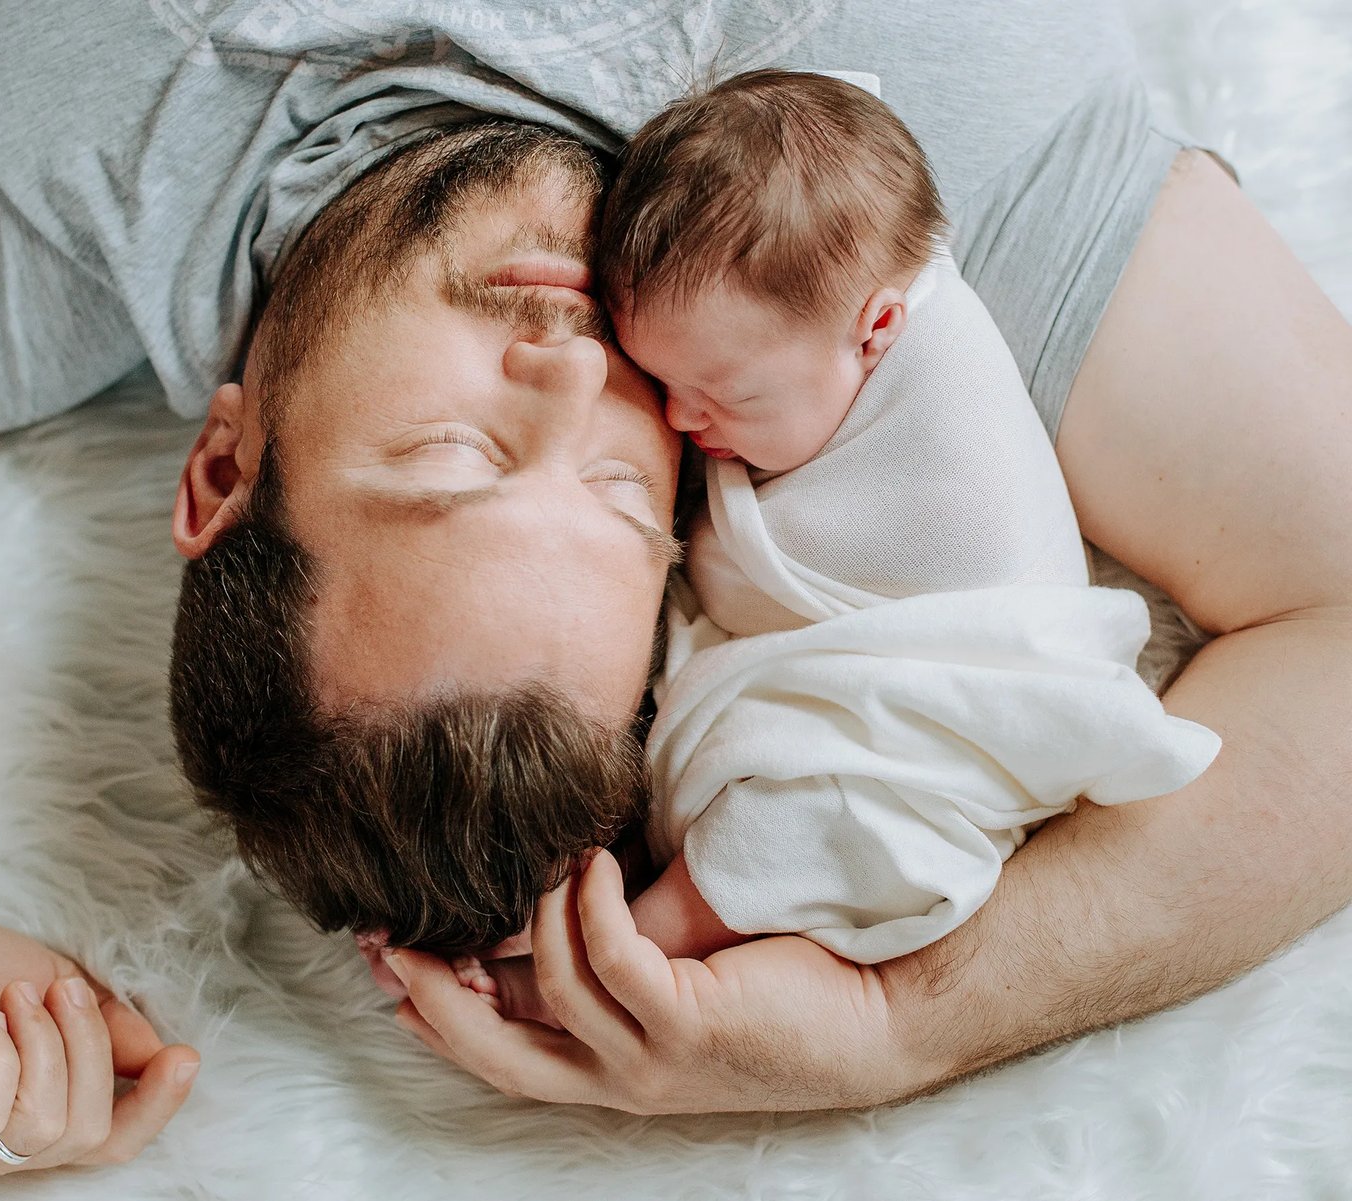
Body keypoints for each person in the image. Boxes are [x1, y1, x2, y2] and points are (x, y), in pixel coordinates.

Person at [0, 0, 1348, 1177]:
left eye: (450, 454)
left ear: (222, 470)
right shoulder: (864, 209)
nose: (578, 368)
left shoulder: (39, 199)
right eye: (614, 488)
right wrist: (901, 1023)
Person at [449, 68, 1222, 1024]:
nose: (682, 418)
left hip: (963, 709)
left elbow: (978, 637)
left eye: (727, 396)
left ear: (879, 329)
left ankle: (625, 955)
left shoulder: (942, 420)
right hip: (844, 669)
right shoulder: (800, 305)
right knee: (676, 720)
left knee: (808, 826)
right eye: (660, 378)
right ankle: (582, 885)